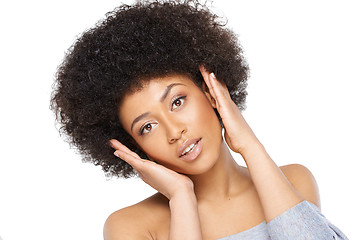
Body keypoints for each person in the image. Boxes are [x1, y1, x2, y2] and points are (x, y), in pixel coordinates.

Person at [51, 0, 348, 239]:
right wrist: (182, 198)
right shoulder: (132, 227)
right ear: (135, 148)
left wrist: (249, 144)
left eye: (177, 102)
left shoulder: (293, 181)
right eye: (147, 127)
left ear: (209, 92)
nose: (174, 131)